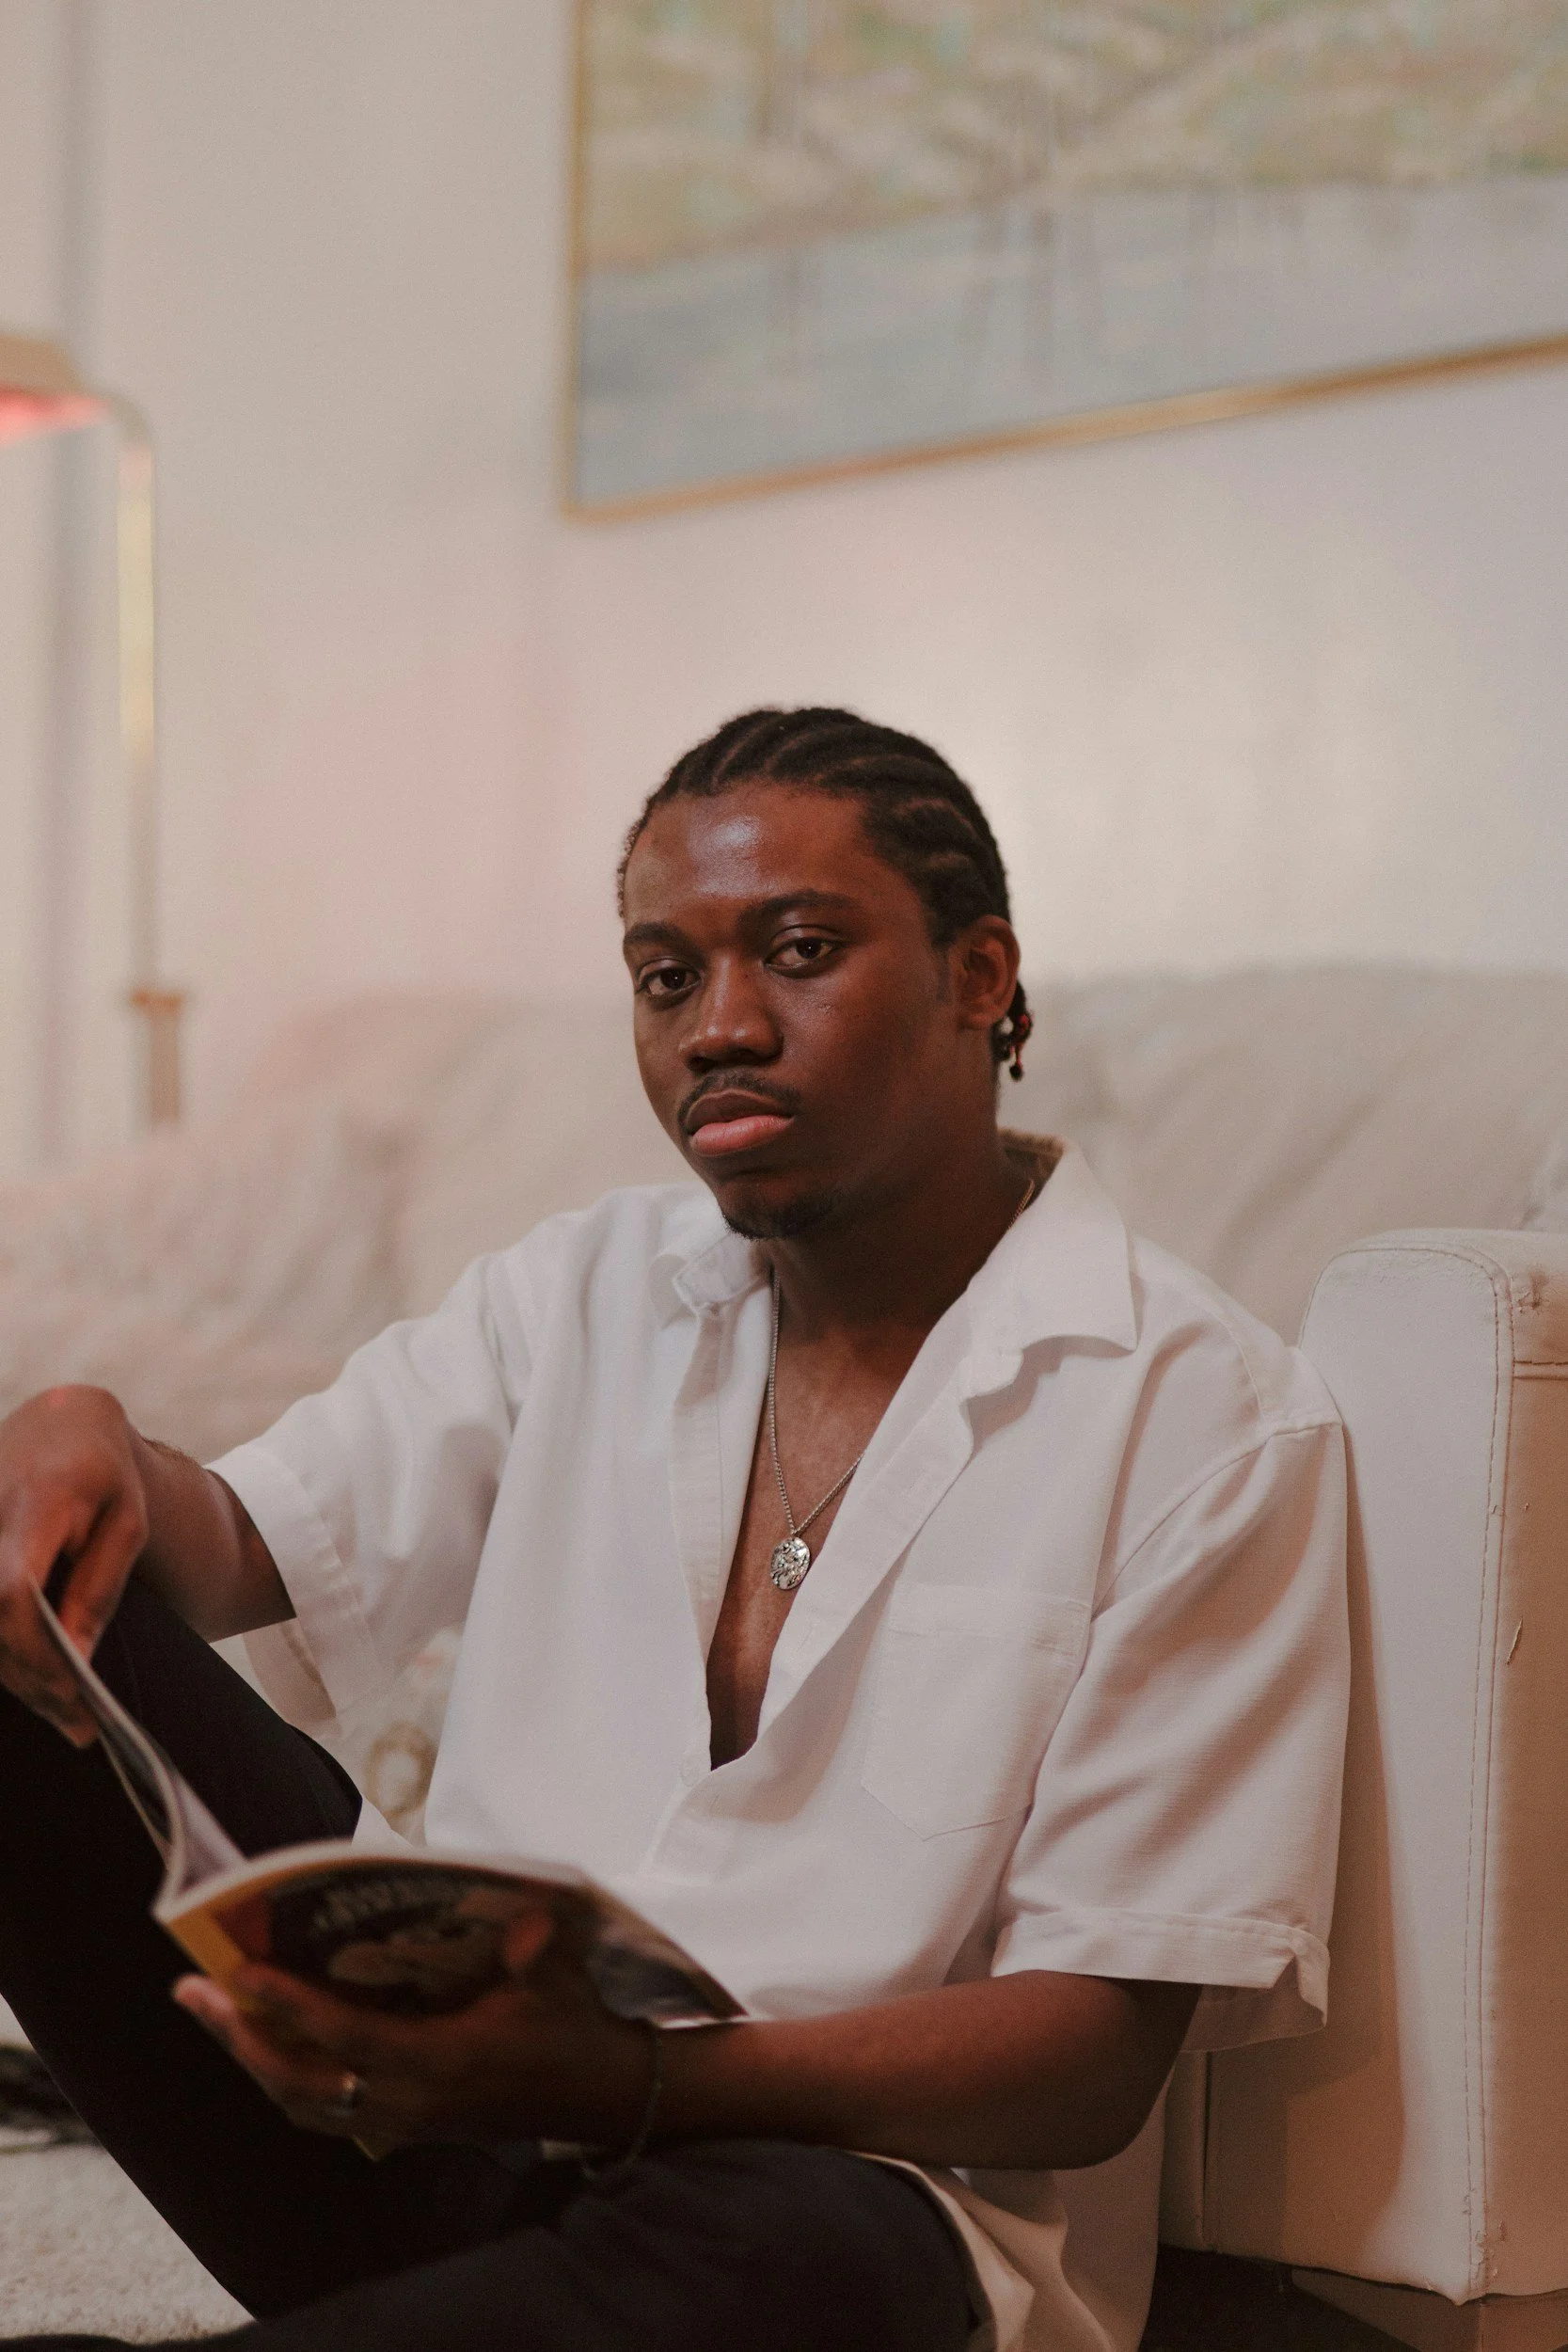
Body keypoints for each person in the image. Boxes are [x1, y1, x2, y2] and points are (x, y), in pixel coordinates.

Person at [0, 708, 1349, 2352]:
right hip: (422, 2107)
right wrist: (93, 1443)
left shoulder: (1205, 1415)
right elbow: (237, 1547)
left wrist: (622, 2083)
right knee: (20, 1609)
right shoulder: (574, 1293)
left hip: (823, 2201)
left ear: (979, 975)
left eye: (798, 952)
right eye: (663, 976)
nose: (719, 1026)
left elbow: (1087, 2056)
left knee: (804, 2259)